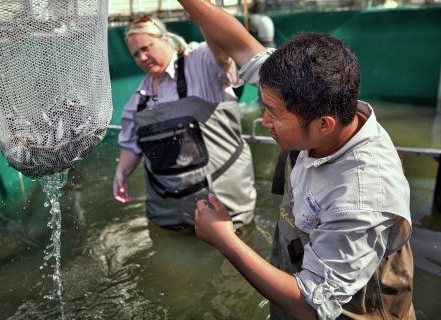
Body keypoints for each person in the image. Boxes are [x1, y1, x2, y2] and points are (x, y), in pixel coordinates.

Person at [178, 1, 415, 319]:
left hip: (352, 303)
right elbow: (240, 44)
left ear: (323, 124)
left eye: (273, 112)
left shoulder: (361, 197)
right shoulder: (315, 99)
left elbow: (311, 305)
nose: (264, 121)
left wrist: (225, 240)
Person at [113, 16, 257, 231]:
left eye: (146, 47)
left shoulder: (200, 60)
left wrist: (204, 14)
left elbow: (223, 55)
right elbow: (131, 145)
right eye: (136, 54)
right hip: (167, 211)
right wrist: (121, 173)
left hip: (223, 206)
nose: (143, 57)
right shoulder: (139, 98)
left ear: (164, 39)